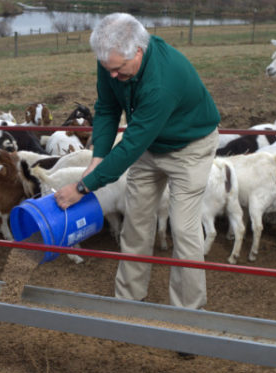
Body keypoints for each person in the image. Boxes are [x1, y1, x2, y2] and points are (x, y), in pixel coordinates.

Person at [53, 13, 220, 311]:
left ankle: (189, 314)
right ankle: (129, 300)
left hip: (189, 149)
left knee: (183, 229)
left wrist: (83, 186)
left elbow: (131, 145)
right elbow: (106, 107)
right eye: (108, 70)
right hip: (149, 144)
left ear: (138, 51)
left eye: (118, 70)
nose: (113, 76)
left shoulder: (163, 82)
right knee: (136, 220)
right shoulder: (111, 58)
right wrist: (98, 157)